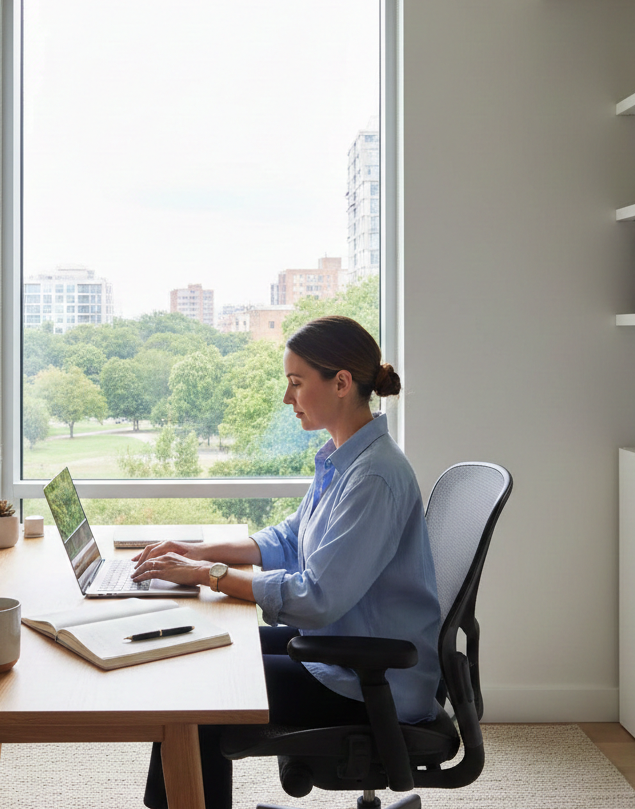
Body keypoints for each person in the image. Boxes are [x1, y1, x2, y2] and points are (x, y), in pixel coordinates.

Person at [132, 315, 441, 809]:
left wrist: (207, 577)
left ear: (341, 383)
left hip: (373, 678)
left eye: (296, 383)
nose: (286, 397)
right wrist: (199, 553)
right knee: (204, 654)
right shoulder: (343, 459)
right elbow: (289, 538)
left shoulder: (373, 478)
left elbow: (315, 599)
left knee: (206, 693)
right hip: (347, 646)